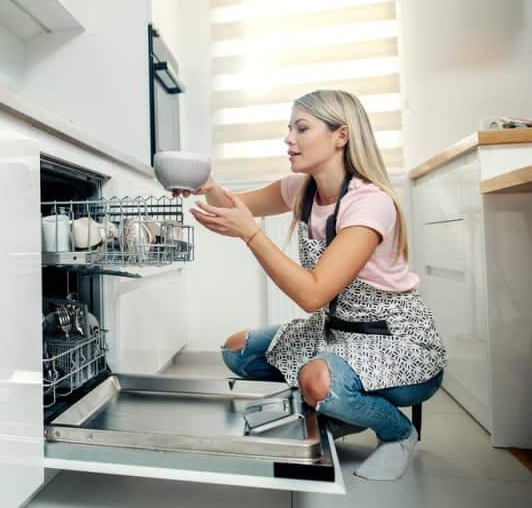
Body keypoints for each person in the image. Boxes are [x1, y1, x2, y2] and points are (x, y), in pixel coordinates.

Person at [181, 90, 447, 481]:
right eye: (290, 128)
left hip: (398, 343)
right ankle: (338, 408)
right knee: (237, 351)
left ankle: (398, 433)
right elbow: (236, 206)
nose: (289, 138)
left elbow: (312, 294)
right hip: (335, 334)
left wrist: (250, 235)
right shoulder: (301, 188)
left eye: (301, 128)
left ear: (341, 135)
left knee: (319, 381)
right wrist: (206, 185)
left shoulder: (369, 203)